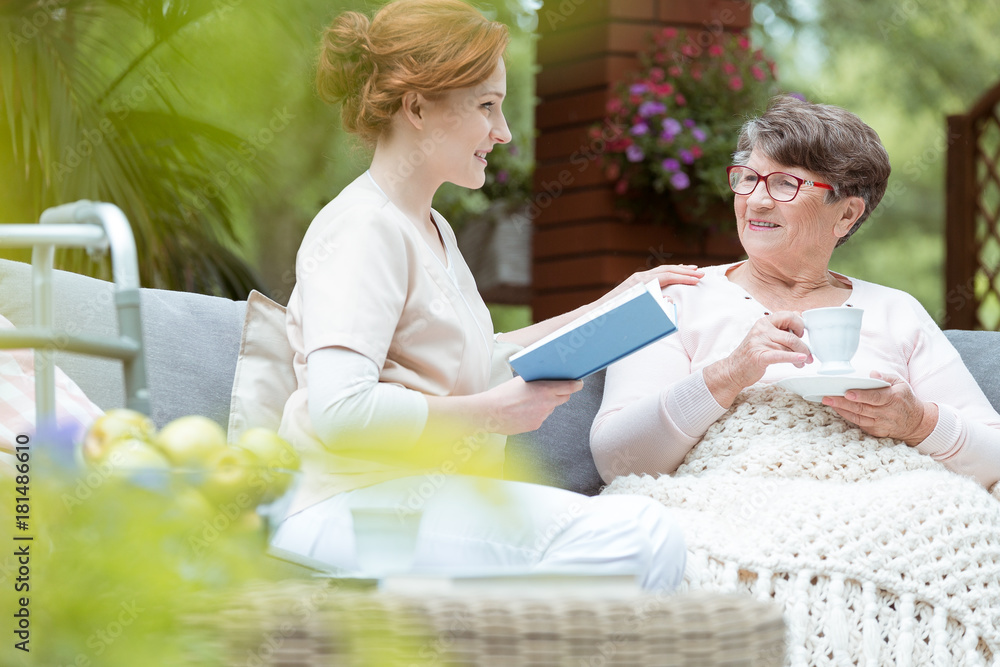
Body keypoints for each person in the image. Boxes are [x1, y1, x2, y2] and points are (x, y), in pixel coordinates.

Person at [266, 0, 701, 589]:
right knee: (634, 535)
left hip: (415, 500)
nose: (504, 132)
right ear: (417, 107)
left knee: (649, 526)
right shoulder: (364, 228)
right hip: (349, 504)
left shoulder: (431, 228)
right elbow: (341, 412)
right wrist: (492, 413)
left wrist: (614, 302)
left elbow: (482, 357)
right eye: (487, 106)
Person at [591, 95, 1000, 489]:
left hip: (884, 511)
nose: (757, 201)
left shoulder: (897, 310)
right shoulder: (670, 296)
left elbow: (994, 459)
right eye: (748, 178)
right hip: (729, 508)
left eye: (785, 183)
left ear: (846, 213)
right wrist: (728, 374)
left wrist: (919, 423)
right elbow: (617, 462)